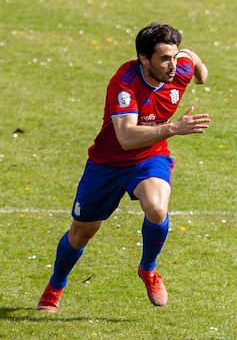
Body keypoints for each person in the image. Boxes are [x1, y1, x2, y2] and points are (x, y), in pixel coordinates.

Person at [37, 24, 210, 312]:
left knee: (156, 208)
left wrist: (195, 62)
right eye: (164, 59)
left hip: (150, 158)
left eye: (175, 57)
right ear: (144, 58)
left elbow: (198, 70)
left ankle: (148, 269)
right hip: (108, 164)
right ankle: (56, 286)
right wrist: (174, 128)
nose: (172, 65)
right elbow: (127, 138)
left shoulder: (179, 68)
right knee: (80, 234)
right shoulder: (125, 84)